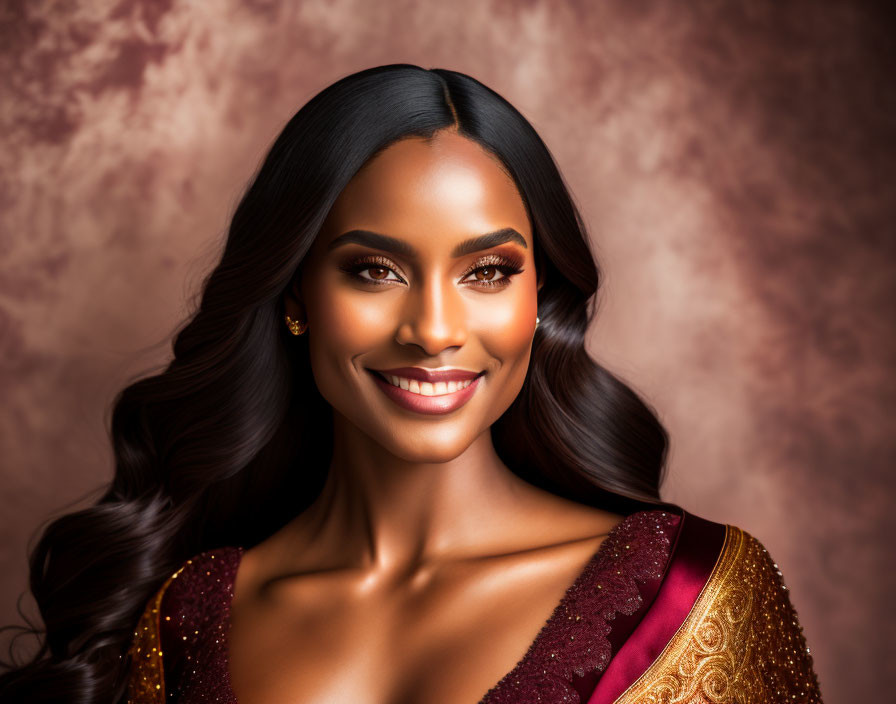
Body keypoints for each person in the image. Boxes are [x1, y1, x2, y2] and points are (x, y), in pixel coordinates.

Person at [0, 65, 822, 703]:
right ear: (296, 295)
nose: (433, 329)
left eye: (489, 272)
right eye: (375, 270)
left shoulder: (692, 593)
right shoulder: (186, 620)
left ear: (542, 300)